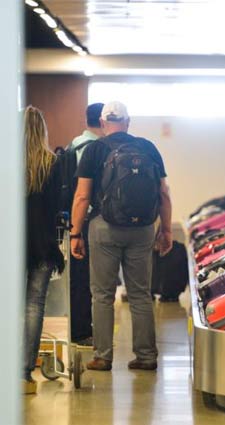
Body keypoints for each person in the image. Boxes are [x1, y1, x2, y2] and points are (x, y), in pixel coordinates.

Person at [70, 101, 173, 372]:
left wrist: (75, 233)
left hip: (104, 228)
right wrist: (167, 229)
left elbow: (82, 196)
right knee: (140, 294)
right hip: (142, 230)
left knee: (102, 294)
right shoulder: (148, 148)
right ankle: (146, 356)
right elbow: (164, 193)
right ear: (128, 122)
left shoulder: (95, 149)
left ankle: (103, 357)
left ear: (103, 123)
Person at [23, 106, 65, 394]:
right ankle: (24, 372)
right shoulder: (51, 164)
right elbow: (54, 210)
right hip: (42, 245)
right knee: (34, 305)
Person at [66, 102, 104, 347]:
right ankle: (82, 331)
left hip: (73, 218)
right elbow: (86, 193)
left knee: (78, 278)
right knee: (89, 280)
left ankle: (79, 329)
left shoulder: (74, 145)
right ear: (102, 121)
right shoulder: (96, 149)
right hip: (89, 219)